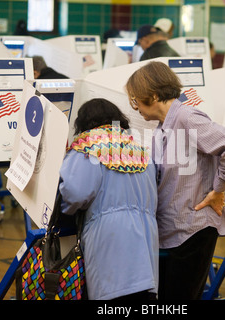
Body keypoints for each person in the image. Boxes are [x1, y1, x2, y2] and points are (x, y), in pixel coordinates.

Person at [125, 61, 225, 299]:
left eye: (135, 100)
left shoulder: (187, 117)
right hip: (175, 227)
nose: (136, 107)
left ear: (151, 95)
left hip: (193, 230)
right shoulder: (163, 126)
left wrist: (219, 188)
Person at [58, 98, 159, 300]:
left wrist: (64, 210)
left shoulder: (87, 149)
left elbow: (74, 193)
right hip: (146, 238)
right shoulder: (140, 151)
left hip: (110, 240)